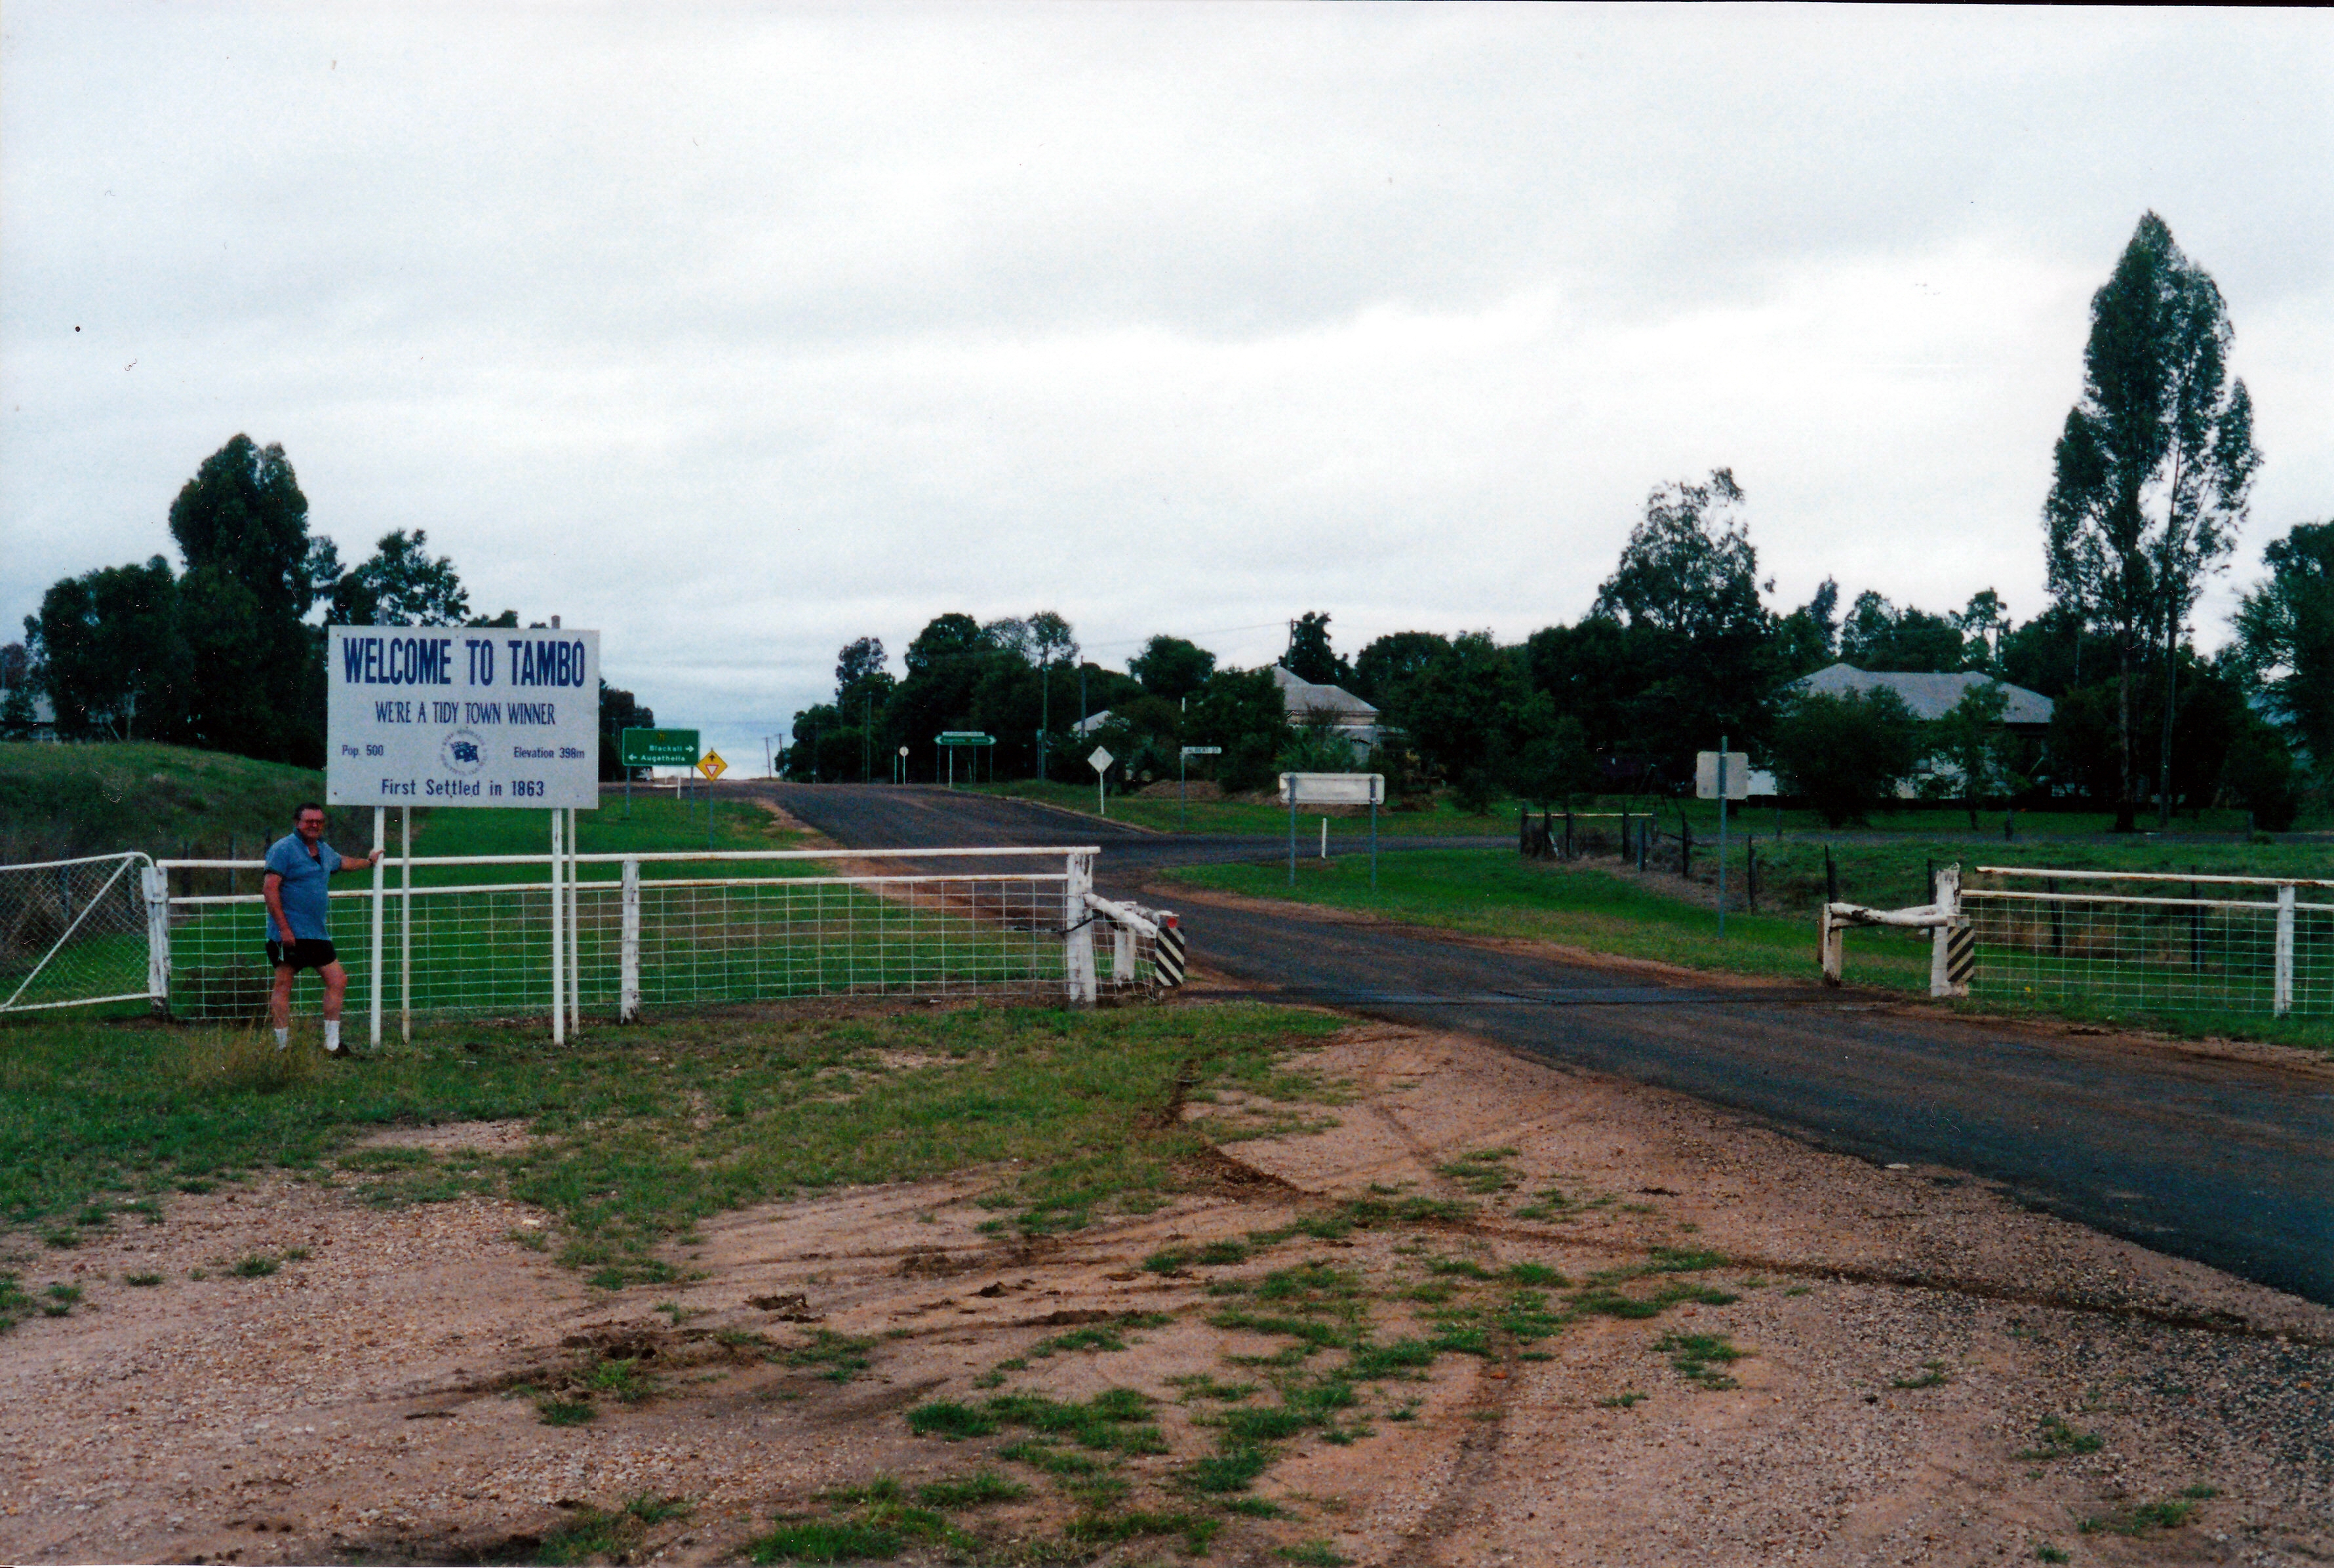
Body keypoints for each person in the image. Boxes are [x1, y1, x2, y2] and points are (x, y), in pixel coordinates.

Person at [262, 802, 383, 1055]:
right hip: (288, 933)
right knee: (283, 984)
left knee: (338, 980)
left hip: (316, 933)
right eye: (309, 821)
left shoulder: (324, 850)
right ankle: (282, 1047)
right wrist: (284, 930)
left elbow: (343, 862)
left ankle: (332, 1045)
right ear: (297, 823)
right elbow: (270, 888)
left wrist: (369, 862)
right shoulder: (283, 849)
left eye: (319, 821)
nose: (314, 825)